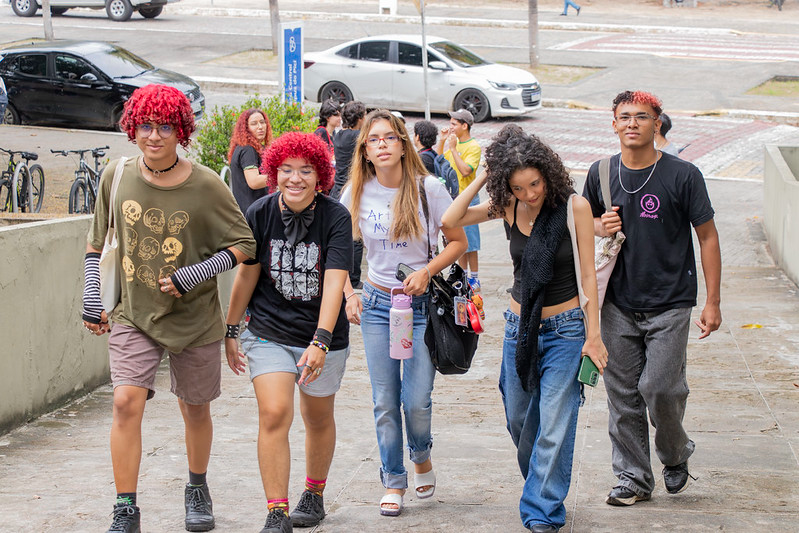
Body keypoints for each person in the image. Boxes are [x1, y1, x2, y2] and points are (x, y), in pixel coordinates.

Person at [81, 84, 257, 533]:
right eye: (145, 126)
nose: (154, 135)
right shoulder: (115, 176)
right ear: (131, 128)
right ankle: (125, 507)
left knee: (195, 407)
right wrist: (91, 298)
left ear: (180, 130)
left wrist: (194, 274)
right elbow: (96, 242)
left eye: (164, 127)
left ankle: (197, 487)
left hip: (195, 320)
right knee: (124, 401)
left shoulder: (206, 184)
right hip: (134, 314)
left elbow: (244, 245)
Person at [441, 124, 608, 533]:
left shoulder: (574, 207)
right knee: (518, 419)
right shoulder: (508, 208)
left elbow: (589, 275)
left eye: (534, 183)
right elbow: (451, 219)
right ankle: (543, 483)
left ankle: (541, 512)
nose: (529, 194)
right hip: (520, 328)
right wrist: (485, 174)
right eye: (517, 187)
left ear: (547, 173)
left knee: (554, 422)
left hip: (568, 329)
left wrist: (594, 335)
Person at [582, 90, 721, 507]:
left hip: (671, 302)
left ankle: (676, 453)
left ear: (656, 124)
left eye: (641, 117)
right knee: (622, 395)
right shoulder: (601, 172)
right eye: (624, 117)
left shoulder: (683, 174)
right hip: (616, 303)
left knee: (660, 388)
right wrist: (598, 226)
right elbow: (580, 223)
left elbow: (708, 237)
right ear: (613, 123)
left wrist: (712, 301)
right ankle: (633, 478)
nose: (632, 124)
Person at [340, 109, 467, 517]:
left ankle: (422, 455)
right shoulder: (356, 192)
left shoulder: (428, 188)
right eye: (374, 139)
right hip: (377, 305)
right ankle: (393, 480)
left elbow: (458, 241)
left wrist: (427, 272)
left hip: (420, 306)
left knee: (416, 400)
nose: (382, 144)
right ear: (365, 150)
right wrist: (349, 293)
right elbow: (336, 251)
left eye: (390, 137)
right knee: (384, 400)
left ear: (402, 143)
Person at [224, 132, 352, 533]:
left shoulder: (336, 217)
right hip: (268, 330)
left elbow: (335, 281)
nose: (295, 179)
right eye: (286, 170)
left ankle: (313, 494)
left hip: (322, 333)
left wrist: (321, 339)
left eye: (306, 171)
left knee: (316, 416)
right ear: (273, 172)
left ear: (321, 176)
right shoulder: (260, 213)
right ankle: (276, 512)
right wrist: (231, 328)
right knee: (275, 412)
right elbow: (246, 274)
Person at [436, 109, 482, 291]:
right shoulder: (454, 144)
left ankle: (475, 277)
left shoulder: (473, 147)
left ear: (465, 126)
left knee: (471, 241)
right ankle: (462, 275)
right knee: (460, 240)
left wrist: (453, 148)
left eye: (454, 124)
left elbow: (466, 170)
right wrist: (442, 141)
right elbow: (440, 160)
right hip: (455, 199)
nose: (451, 127)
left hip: (468, 199)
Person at [331, 100, 367, 289]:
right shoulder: (359, 136)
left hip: (337, 188)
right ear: (360, 118)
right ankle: (353, 278)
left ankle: (339, 273)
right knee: (356, 235)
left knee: (338, 233)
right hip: (352, 189)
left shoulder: (339, 135)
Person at [228, 108, 273, 214]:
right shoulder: (248, 149)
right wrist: (279, 176)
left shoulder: (247, 147)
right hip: (252, 212)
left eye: (262, 122)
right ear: (246, 128)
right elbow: (254, 181)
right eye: (254, 124)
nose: (260, 127)